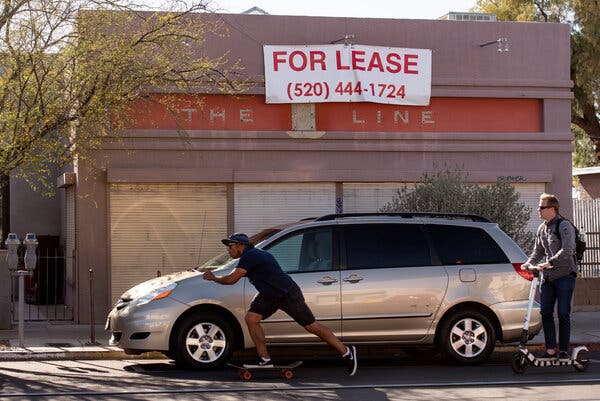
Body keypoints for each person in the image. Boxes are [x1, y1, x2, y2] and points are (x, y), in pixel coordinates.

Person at [202, 232, 358, 375]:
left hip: (287, 294)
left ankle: (346, 352)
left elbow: (232, 279)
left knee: (312, 326)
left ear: (240, 245)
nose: (228, 250)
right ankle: (265, 359)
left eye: (230, 246)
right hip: (269, 295)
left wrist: (213, 278)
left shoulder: (250, 256)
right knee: (251, 318)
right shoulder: (251, 255)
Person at [522, 193, 578, 359]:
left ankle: (563, 350)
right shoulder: (542, 228)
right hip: (547, 277)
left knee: (562, 313)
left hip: (565, 275)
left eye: (542, 207)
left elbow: (568, 250)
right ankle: (551, 349)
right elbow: (538, 252)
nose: (538, 210)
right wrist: (528, 263)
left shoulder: (564, 226)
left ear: (552, 209)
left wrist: (549, 262)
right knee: (545, 313)